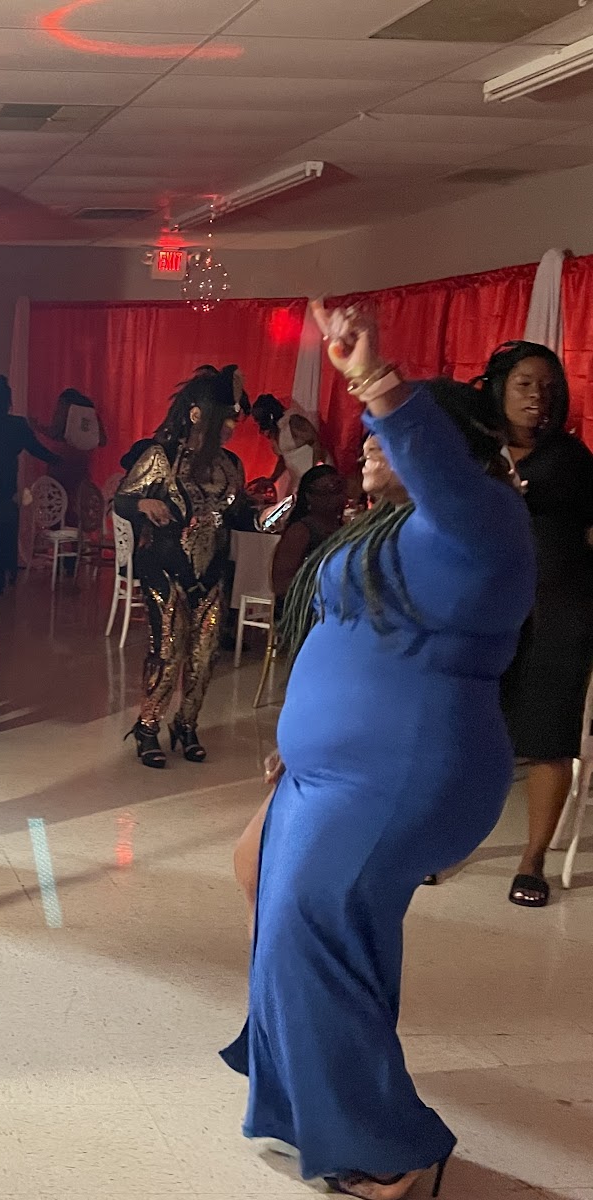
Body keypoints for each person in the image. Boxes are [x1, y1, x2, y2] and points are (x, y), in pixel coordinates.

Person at [223, 302, 532, 1200]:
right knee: (266, 885)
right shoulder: (385, 529)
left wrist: (375, 381)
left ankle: (389, 1151)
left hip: (401, 775)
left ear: (453, 451)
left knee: (310, 934)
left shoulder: (483, 524)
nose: (366, 440)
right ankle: (306, 1105)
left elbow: (434, 465)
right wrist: (297, 738)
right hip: (332, 772)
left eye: (385, 435)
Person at [485, 341, 593, 907]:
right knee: (470, 728)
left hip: (558, 608)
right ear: (499, 387)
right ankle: (446, 841)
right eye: (525, 383)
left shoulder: (571, 458)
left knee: (550, 733)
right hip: (482, 609)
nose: (537, 396)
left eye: (549, 387)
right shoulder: (474, 451)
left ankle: (533, 860)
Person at [113, 366, 251, 767]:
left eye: (233, 419)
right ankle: (147, 726)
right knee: (168, 651)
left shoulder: (231, 465)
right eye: (223, 417)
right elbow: (122, 499)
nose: (230, 427)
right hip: (165, 569)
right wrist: (144, 503)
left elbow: (237, 515)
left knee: (205, 657)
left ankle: (186, 725)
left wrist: (265, 516)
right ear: (196, 415)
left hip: (213, 573)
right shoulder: (161, 456)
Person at [0, 374, 60, 589]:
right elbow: (35, 448)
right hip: (7, 484)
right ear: (8, 402)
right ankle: (6, 571)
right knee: (7, 528)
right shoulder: (17, 425)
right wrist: (58, 459)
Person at [269, 464, 347, 602]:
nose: (335, 498)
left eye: (338, 490)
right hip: (307, 606)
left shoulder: (343, 528)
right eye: (326, 492)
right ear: (310, 497)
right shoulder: (300, 531)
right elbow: (280, 585)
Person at [253, 393, 333, 498]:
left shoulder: (293, 421)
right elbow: (283, 459)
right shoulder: (277, 430)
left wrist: (315, 472)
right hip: (301, 480)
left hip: (317, 475)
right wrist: (272, 479)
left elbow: (316, 443)